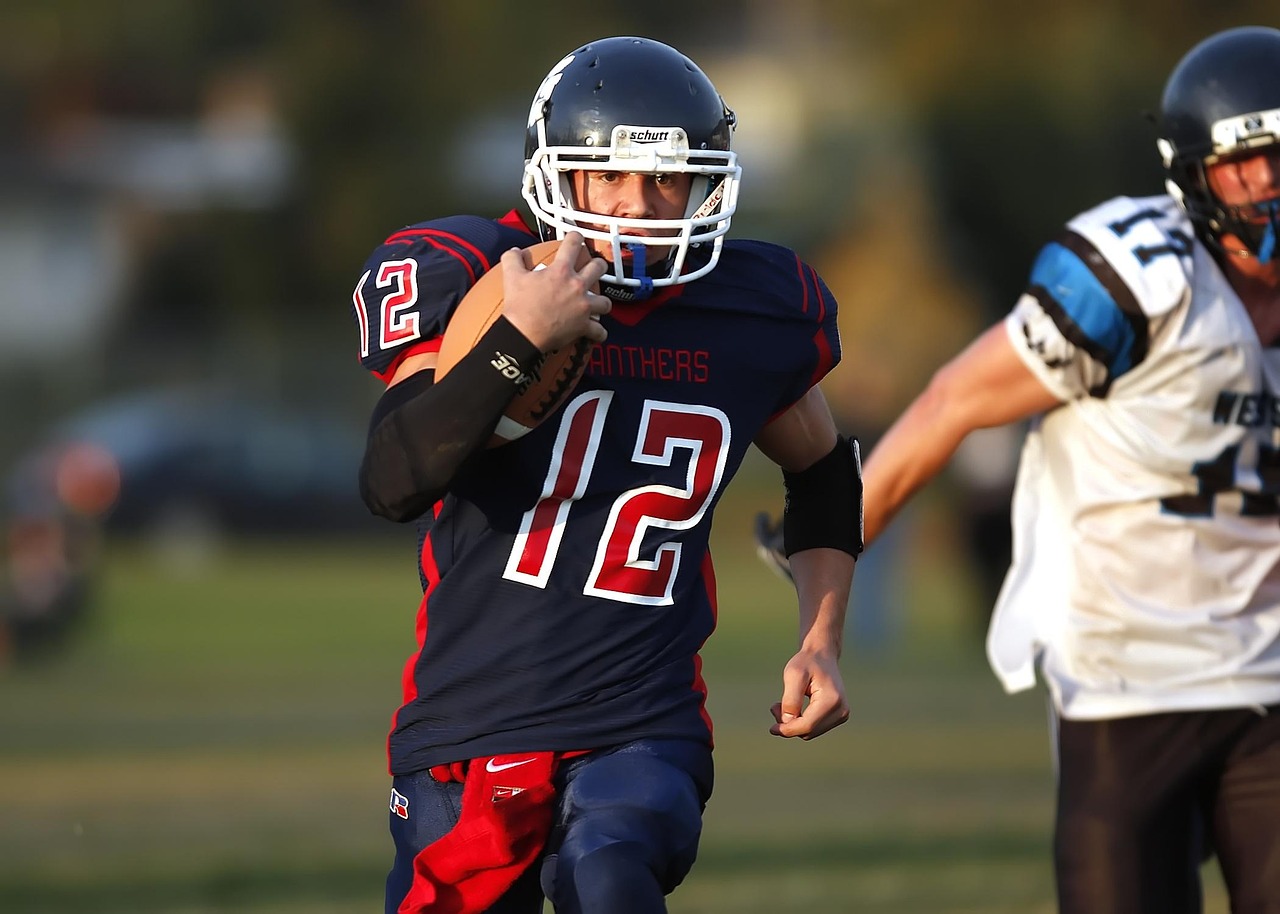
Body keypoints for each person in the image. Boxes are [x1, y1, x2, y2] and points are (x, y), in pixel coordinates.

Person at [755, 25, 1280, 913]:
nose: (1269, 185)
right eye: (1245, 163)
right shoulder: (1138, 279)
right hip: (1128, 675)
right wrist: (837, 545)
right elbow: (951, 401)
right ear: (1193, 172)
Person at [348, 36, 861, 914]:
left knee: (611, 874)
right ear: (558, 179)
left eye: (668, 180)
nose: (640, 207)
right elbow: (394, 479)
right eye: (610, 179)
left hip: (640, 717)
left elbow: (824, 472)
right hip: (473, 718)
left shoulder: (750, 310)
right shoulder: (480, 277)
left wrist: (821, 639)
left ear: (707, 184)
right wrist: (520, 341)